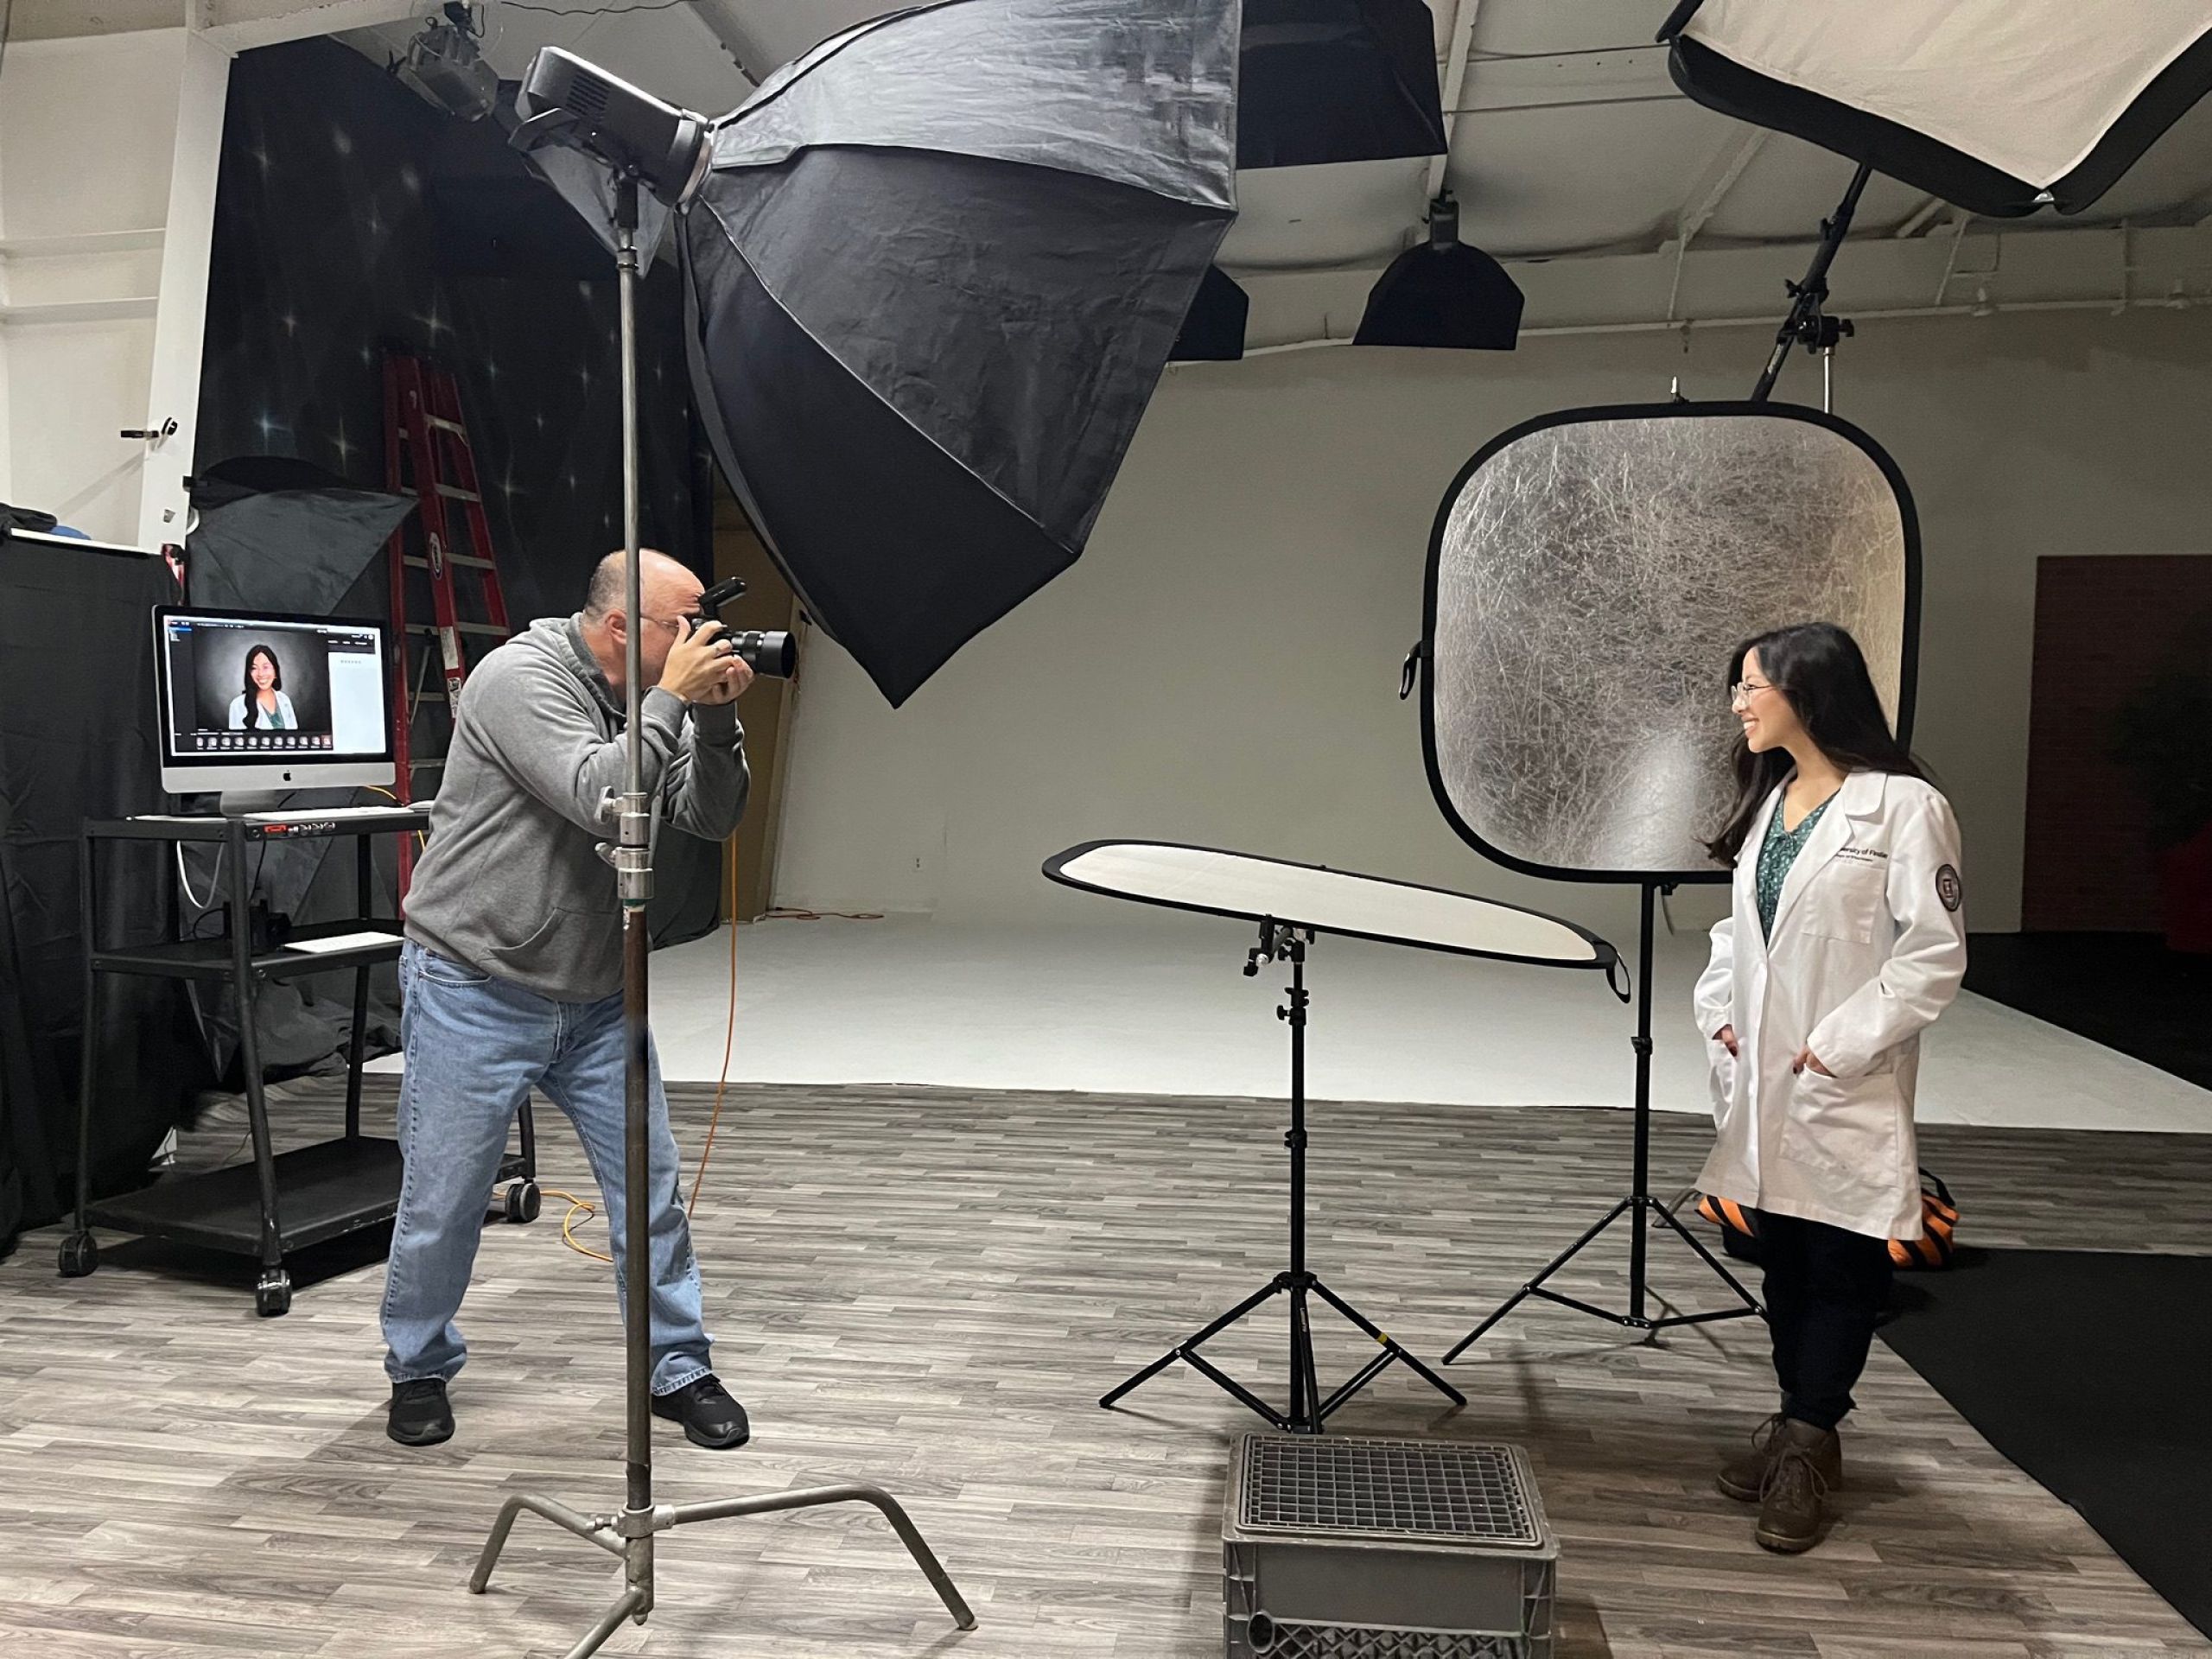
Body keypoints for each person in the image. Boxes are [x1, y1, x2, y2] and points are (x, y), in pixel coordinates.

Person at [382, 549, 754, 1450]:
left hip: (597, 996)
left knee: (650, 1193)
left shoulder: (650, 696)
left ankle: (677, 1366)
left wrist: (714, 719)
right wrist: (671, 700)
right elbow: (604, 797)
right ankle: (418, 1365)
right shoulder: (519, 677)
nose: (701, 638)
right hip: (474, 983)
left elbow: (710, 815)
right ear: (622, 626)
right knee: (445, 1199)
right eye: (685, 624)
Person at [1693, 621, 1967, 1555]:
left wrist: (1838, 1045)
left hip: (1841, 1080)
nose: (1739, 704)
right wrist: (1721, 1015)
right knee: (1781, 1262)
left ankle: (1808, 1441)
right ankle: (1798, 1421)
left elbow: (1932, 956)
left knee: (1842, 1266)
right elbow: (1738, 937)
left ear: (1808, 693)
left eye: (1751, 686)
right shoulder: (1770, 802)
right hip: (1765, 1083)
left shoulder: (1903, 807)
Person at [227, 644, 296, 730]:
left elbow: (295, 734)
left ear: (275, 671)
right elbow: (236, 738)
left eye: (265, 667)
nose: (260, 674)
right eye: (254, 668)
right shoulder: (238, 705)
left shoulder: (284, 700)